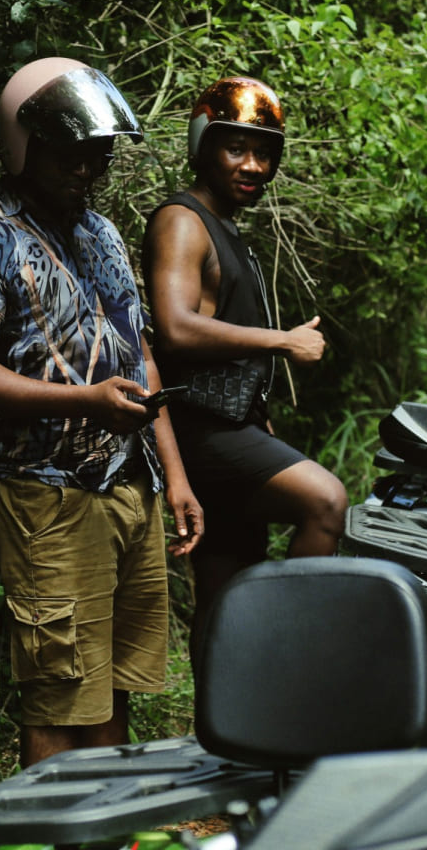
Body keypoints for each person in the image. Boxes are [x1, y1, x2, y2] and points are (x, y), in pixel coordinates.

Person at [0, 57, 204, 768]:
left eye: (99, 156)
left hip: (129, 484)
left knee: (115, 682)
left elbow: (138, 353)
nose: (87, 170)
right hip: (48, 495)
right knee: (59, 691)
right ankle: (46, 830)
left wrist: (174, 474)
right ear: (26, 148)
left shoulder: (103, 233)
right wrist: (81, 400)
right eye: (71, 155)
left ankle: (104, 827)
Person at [141, 75, 348, 656]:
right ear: (203, 145)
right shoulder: (183, 220)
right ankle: (283, 654)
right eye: (237, 149)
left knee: (224, 586)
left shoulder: (227, 229)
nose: (252, 165)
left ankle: (224, 722)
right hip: (201, 433)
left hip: (232, 426)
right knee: (326, 501)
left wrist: (260, 419)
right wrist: (281, 342)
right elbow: (176, 327)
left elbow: (221, 343)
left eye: (264, 153)